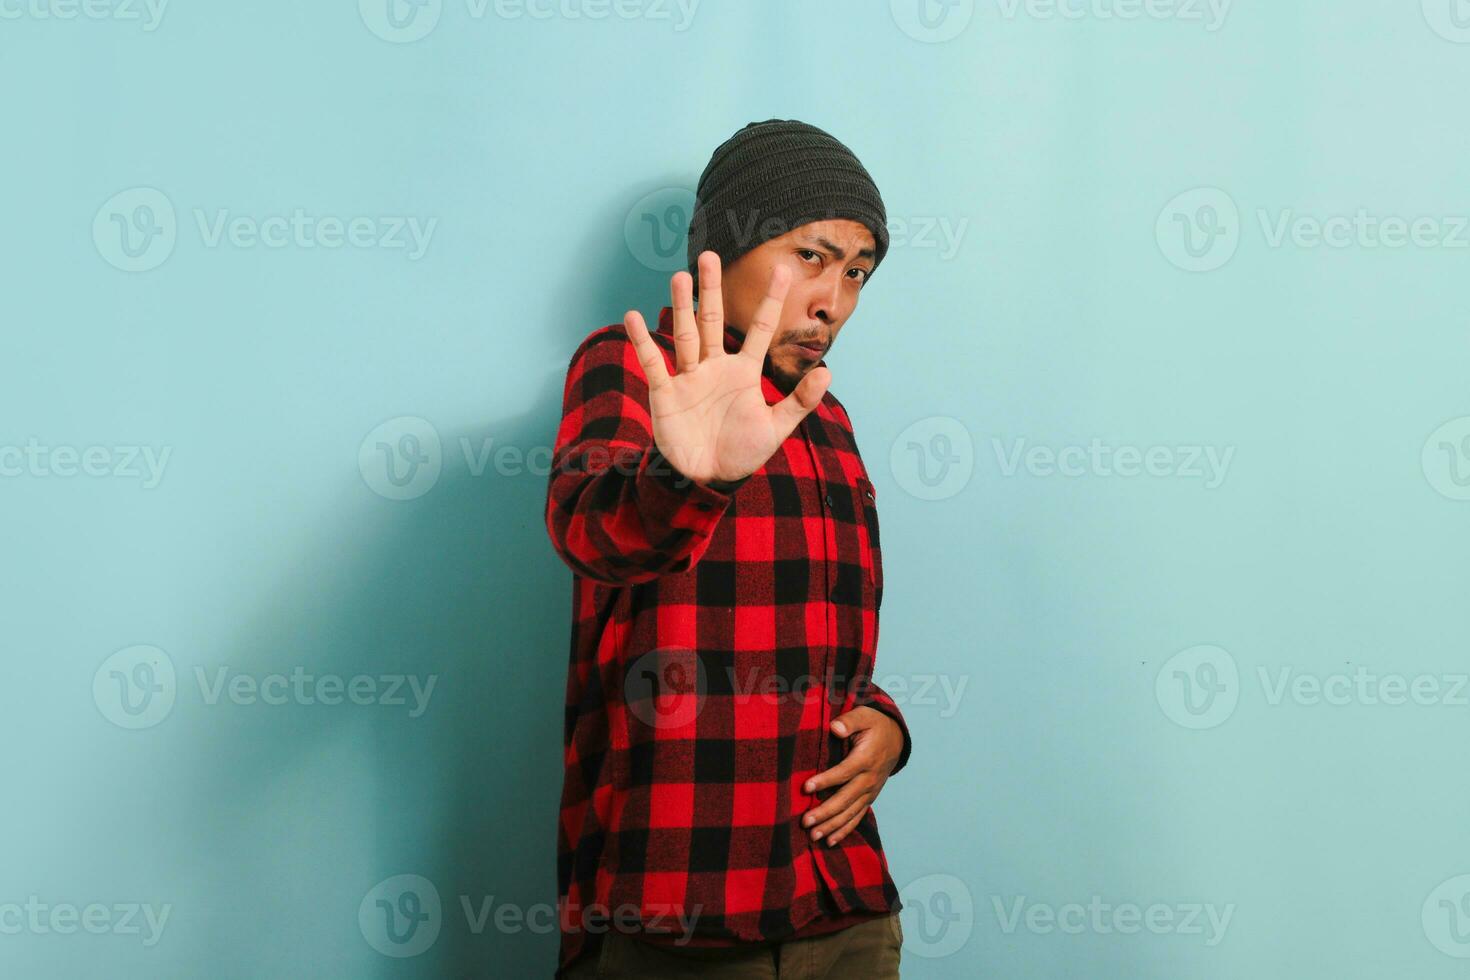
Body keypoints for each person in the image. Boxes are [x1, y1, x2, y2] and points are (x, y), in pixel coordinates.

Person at [545, 118, 911, 979]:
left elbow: (824, 645)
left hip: (843, 903)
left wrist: (884, 726)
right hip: (681, 906)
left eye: (858, 272)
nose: (836, 300)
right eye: (813, 256)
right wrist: (690, 478)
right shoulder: (632, 369)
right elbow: (591, 533)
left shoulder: (825, 417)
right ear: (723, 249)